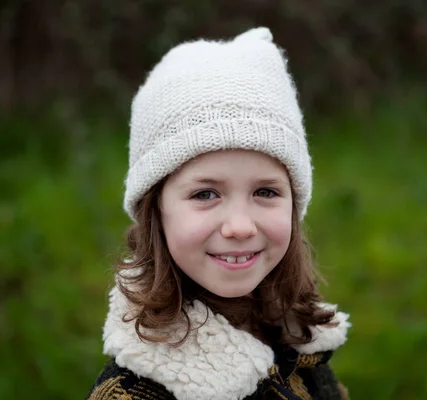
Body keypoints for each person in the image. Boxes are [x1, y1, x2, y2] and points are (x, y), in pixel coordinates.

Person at [86, 27, 351, 400]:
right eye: (206, 193)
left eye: (265, 192)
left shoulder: (299, 338)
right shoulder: (135, 392)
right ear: (155, 210)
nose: (240, 227)